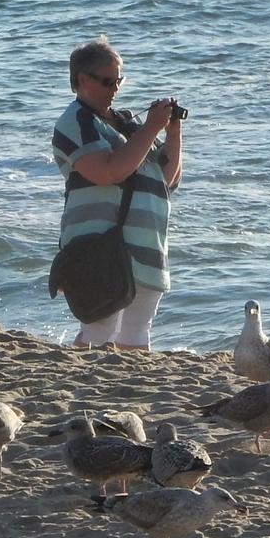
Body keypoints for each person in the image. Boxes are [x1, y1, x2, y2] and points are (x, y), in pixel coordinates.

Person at [50, 37, 183, 350]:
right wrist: (151, 127)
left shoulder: (127, 121)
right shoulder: (76, 122)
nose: (115, 90)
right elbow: (109, 171)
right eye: (107, 81)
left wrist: (173, 132)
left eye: (118, 81)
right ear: (82, 80)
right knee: (99, 328)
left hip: (146, 243)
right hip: (99, 244)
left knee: (137, 332)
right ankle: (79, 386)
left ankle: (129, 394)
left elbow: (168, 178)